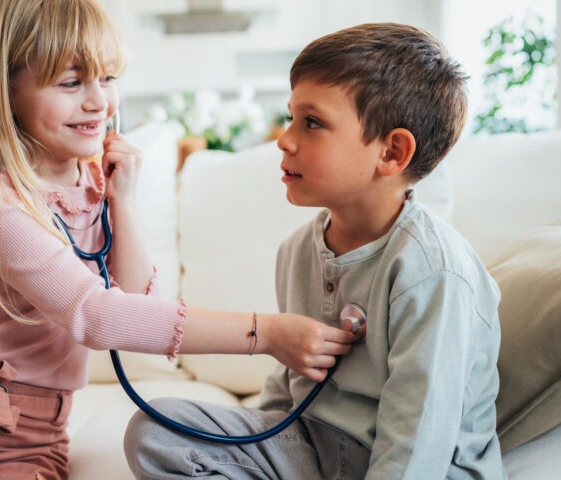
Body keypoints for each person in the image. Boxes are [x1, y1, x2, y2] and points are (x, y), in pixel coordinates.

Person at [0, 1, 356, 479]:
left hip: (31, 437)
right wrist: (267, 333)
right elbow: (96, 317)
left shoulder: (92, 182)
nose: (99, 101)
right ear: (5, 89)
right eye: (71, 83)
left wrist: (123, 200)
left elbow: (132, 307)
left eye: (107, 77)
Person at [124, 22, 506, 479]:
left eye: (311, 122)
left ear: (392, 153)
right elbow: (290, 393)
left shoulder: (433, 273)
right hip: (316, 447)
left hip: (409, 462)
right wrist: (253, 439)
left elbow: (418, 436)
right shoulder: (298, 250)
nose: (284, 140)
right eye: (290, 118)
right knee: (155, 431)